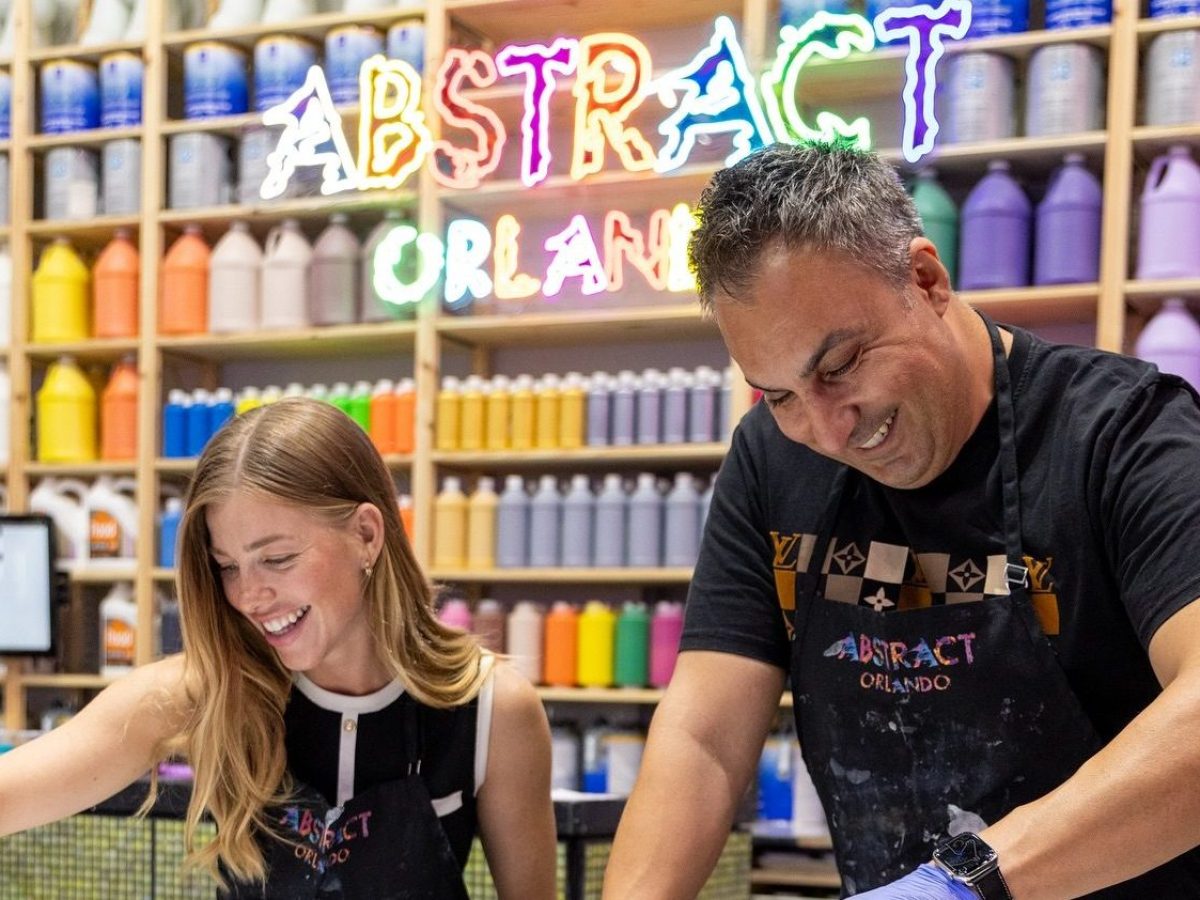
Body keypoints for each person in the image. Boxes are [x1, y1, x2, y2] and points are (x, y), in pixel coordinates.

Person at [603, 142, 1200, 899]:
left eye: (840, 365)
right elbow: (704, 740)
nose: (827, 430)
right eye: (779, 395)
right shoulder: (771, 460)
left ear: (925, 279)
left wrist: (959, 886)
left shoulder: (1121, 434)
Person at [0, 397, 557, 898]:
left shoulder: (492, 711)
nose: (249, 595)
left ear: (366, 535)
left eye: (277, 558)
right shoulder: (208, 689)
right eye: (227, 567)